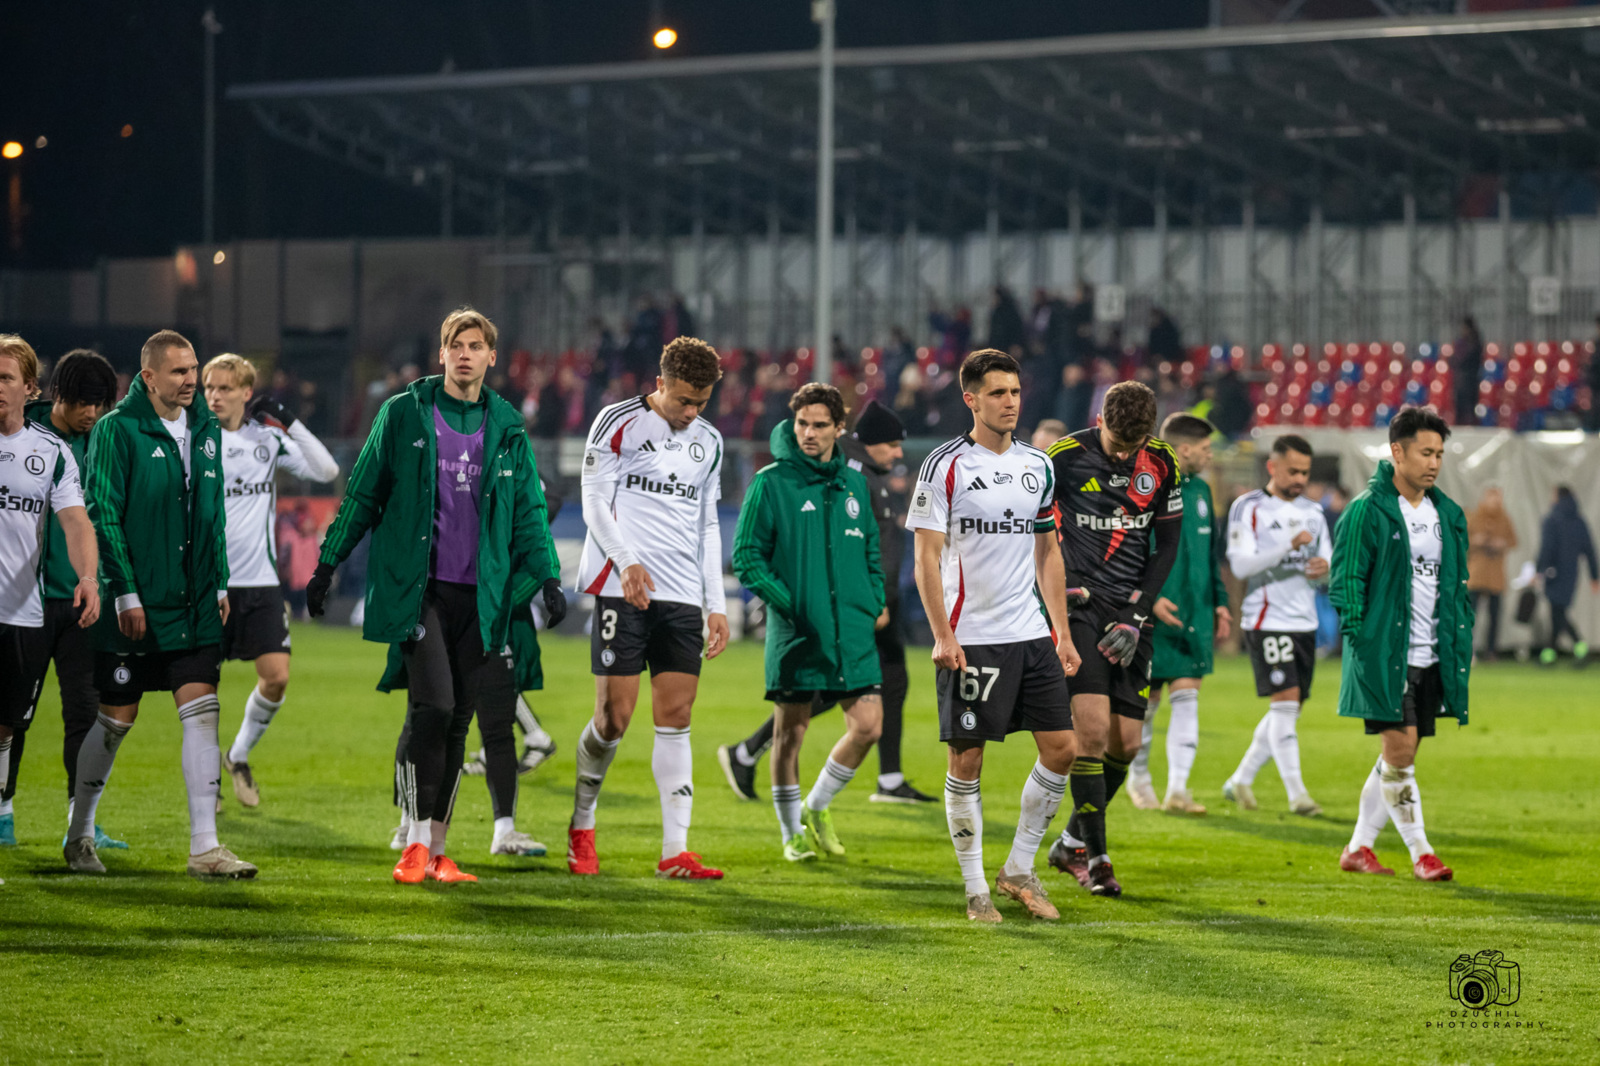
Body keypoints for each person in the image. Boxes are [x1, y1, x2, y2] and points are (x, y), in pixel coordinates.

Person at [306, 307, 563, 885]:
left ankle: (440, 850)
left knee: (458, 722)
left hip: (484, 598)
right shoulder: (403, 413)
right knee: (435, 708)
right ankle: (415, 842)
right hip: (419, 591)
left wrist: (548, 578)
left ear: (492, 358)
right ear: (441, 355)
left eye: (476, 345)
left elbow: (528, 512)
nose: (466, 353)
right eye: (456, 344)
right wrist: (328, 564)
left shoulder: (508, 426)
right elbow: (364, 493)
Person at [67, 330, 253, 878]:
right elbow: (103, 512)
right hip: (137, 603)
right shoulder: (116, 430)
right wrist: (124, 591)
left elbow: (213, 511)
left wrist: (218, 584)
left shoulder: (207, 429)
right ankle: (79, 834)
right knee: (115, 721)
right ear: (149, 377)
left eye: (193, 369)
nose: (191, 380)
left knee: (202, 711)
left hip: (193, 602)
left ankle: (205, 848)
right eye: (179, 371)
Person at [906, 349, 1081, 922]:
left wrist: (1061, 630)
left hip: (1029, 633)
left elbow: (1047, 551)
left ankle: (1019, 869)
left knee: (1063, 749)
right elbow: (925, 560)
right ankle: (976, 887)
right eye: (997, 393)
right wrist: (942, 634)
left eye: (1015, 391)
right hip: (971, 637)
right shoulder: (944, 466)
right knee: (967, 760)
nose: (1010, 402)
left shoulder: (1039, 466)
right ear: (971, 399)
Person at [717, 399, 935, 805]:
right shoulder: (847, 478)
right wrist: (863, 604)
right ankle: (752, 755)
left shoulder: (865, 475)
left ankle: (888, 779)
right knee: (833, 690)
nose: (898, 453)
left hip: (874, 604)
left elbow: (876, 547)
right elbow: (761, 555)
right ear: (867, 442)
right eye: (892, 444)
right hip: (859, 609)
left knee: (888, 684)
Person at [567, 336, 728, 880]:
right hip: (621, 587)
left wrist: (716, 603)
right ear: (660, 383)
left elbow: (707, 524)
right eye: (684, 400)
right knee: (613, 719)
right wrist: (626, 561)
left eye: (701, 402)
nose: (691, 412)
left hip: (681, 594)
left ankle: (674, 850)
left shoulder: (710, 441)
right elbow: (592, 498)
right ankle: (582, 824)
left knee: (676, 717)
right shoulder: (617, 422)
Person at [731, 383, 886, 863]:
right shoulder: (771, 482)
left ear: (840, 428)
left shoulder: (855, 484)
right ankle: (789, 831)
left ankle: (817, 808)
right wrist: (791, 604)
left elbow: (872, 553)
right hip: (796, 632)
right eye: (802, 423)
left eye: (820, 425)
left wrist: (872, 599)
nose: (809, 433)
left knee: (868, 726)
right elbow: (746, 557)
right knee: (789, 734)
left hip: (852, 632)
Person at [1043, 380, 1183, 898]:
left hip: (1130, 614)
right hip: (1080, 606)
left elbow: (1166, 546)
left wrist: (1138, 613)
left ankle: (1071, 843)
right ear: (1099, 420)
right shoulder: (1063, 457)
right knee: (1094, 734)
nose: (1125, 454)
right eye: (1117, 442)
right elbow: (1034, 532)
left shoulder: (1162, 461)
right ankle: (1099, 860)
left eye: (1135, 445)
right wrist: (1056, 595)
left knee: (1126, 745)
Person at [1331, 406, 1469, 882]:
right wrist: (1360, 641)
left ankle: (1357, 848)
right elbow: (1346, 580)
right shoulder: (1367, 511)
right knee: (1402, 752)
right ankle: (1422, 854)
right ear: (1397, 452)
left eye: (1440, 454)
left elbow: (1455, 587)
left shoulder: (1446, 514)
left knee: (1397, 757)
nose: (1434, 462)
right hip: (1385, 654)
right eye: (1425, 452)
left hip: (1431, 653)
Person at [200, 353, 340, 808]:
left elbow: (327, 470)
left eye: (224, 388)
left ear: (246, 392)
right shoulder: (194, 441)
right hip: (208, 584)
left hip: (260, 583)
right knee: (201, 690)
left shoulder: (266, 441)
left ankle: (237, 756)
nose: (214, 396)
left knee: (276, 678)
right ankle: (206, 781)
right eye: (208, 388)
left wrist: (287, 420)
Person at [12, 349, 122, 850]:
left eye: (100, 405)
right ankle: (4, 810)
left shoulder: (103, 442)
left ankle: (83, 822)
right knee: (13, 713)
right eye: (83, 403)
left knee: (85, 711)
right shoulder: (22, 429)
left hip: (82, 599)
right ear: (57, 394)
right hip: (23, 600)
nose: (91, 414)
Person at [1220, 435, 1332, 817]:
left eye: (1305, 471)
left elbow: (1325, 565)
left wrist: (1324, 570)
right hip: (1267, 618)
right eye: (1293, 471)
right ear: (1272, 466)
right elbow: (1240, 566)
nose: (1300, 478)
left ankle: (1240, 780)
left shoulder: (1314, 513)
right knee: (1284, 706)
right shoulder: (1248, 508)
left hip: (1305, 619)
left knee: (1290, 708)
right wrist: (1286, 546)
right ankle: (1298, 795)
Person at [1127, 414, 1232, 815]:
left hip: (1196, 612)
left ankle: (1179, 789)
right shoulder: (1146, 487)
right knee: (1147, 703)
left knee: (1188, 698)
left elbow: (1210, 555)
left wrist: (1220, 601)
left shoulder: (1204, 491)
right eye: (1205, 449)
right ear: (1184, 449)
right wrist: (1146, 597)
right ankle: (1139, 781)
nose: (1209, 456)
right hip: (1154, 611)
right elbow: (1132, 549)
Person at [1535, 486, 1598, 665]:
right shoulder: (1579, 521)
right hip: (1571, 574)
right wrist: (1594, 576)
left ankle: (1580, 647)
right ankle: (1549, 655)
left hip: (1553, 573)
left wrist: (1539, 570)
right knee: (1558, 613)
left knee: (1558, 614)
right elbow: (1590, 550)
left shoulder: (1551, 520)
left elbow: (1546, 548)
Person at [1465, 486, 1516, 661]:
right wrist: (1476, 541)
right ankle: (1467, 649)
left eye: (1498, 500)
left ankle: (1491, 651)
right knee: (1471, 614)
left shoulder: (1504, 519)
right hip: (1477, 573)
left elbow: (1513, 540)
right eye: (1493, 499)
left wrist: (1501, 544)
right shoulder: (1475, 516)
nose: (1496, 503)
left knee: (1495, 616)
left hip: (1495, 575)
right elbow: (1462, 540)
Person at [1451, 317, 1483, 426]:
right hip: (1462, 379)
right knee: (1460, 406)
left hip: (1471, 379)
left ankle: (1471, 425)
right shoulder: (1461, 342)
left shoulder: (1475, 343)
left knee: (1470, 406)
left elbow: (1467, 360)